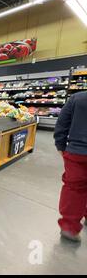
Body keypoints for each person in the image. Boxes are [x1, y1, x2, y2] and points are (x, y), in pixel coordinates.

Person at [54, 91, 87, 242]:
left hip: (77, 152)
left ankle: (69, 227)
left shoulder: (77, 98)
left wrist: (60, 144)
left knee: (74, 187)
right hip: (77, 151)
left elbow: (62, 122)